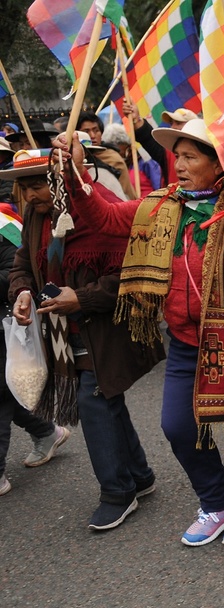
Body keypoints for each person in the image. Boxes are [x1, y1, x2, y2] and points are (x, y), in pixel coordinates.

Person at [59, 119, 224, 546]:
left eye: (191, 157)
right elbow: (106, 218)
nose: (179, 165)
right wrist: (76, 175)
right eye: (177, 156)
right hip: (185, 343)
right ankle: (218, 502)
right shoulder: (161, 205)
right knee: (178, 427)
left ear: (218, 163)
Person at [4, 147, 162, 530]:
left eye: (38, 185)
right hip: (60, 334)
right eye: (24, 188)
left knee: (94, 404)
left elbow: (133, 273)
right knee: (105, 401)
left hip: (107, 329)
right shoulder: (34, 216)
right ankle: (139, 477)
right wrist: (23, 291)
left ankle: (117, 493)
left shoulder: (99, 208)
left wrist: (83, 297)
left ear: (61, 179)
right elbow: (23, 262)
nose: (30, 196)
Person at [0, 212, 70, 496]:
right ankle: (46, 431)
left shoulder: (5, 227)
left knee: (0, 394)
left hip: (5, 325)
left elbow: (14, 275)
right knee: (9, 392)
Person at [76, 111, 137, 200]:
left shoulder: (112, 157)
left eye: (96, 130)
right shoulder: (73, 158)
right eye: (86, 131)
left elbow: (124, 192)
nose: (92, 135)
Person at [101, 123, 163, 194]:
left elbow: (159, 187)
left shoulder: (146, 162)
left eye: (118, 151)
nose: (116, 156)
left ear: (128, 148)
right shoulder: (112, 165)